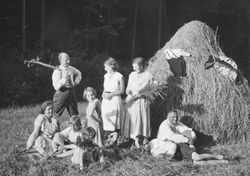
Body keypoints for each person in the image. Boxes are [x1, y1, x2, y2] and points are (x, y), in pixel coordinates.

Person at [150, 110, 228, 164]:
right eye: (173, 117)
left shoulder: (177, 122)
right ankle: (221, 161)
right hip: (167, 148)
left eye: (176, 116)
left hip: (179, 145)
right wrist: (187, 140)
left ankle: (218, 157)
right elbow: (173, 137)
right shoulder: (164, 125)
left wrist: (191, 139)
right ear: (167, 117)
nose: (175, 119)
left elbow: (187, 130)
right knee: (197, 162)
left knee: (196, 158)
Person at [123, 57, 154, 148]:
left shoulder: (148, 75)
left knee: (142, 119)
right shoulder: (132, 75)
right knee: (134, 119)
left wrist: (143, 94)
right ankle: (134, 139)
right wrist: (128, 91)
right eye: (133, 67)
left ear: (141, 66)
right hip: (132, 101)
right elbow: (128, 88)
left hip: (142, 100)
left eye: (136, 67)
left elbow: (152, 90)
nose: (134, 69)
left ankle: (143, 139)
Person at [101, 57, 124, 146]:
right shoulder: (106, 76)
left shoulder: (119, 76)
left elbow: (122, 90)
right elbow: (105, 87)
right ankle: (107, 140)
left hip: (114, 99)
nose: (105, 68)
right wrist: (103, 94)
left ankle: (114, 141)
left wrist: (111, 95)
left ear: (111, 66)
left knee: (114, 119)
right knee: (106, 118)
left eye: (106, 67)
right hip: (106, 100)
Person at [52, 52, 82, 117]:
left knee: (75, 114)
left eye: (68, 59)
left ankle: (76, 126)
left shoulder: (71, 69)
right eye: (66, 60)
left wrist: (76, 82)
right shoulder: (57, 71)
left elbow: (79, 73)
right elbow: (56, 86)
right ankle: (51, 126)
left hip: (71, 91)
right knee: (55, 114)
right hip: (61, 93)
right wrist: (64, 78)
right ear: (61, 61)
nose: (68, 61)